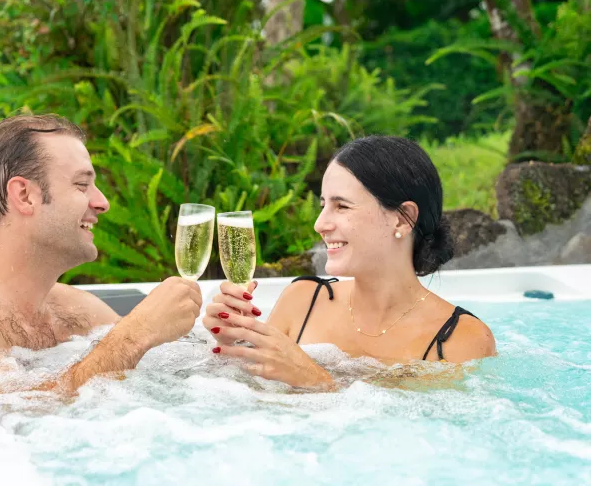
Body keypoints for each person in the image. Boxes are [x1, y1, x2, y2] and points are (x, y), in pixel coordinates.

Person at [0, 114, 202, 393]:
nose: (102, 202)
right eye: (81, 185)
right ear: (24, 195)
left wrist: (223, 347)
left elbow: (168, 371)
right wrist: (134, 334)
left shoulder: (75, 310)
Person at [203, 136, 496, 389]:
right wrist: (232, 345)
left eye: (341, 206)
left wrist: (316, 380)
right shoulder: (302, 302)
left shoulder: (460, 339)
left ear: (402, 218)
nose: (320, 224)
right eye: (323, 205)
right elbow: (249, 403)